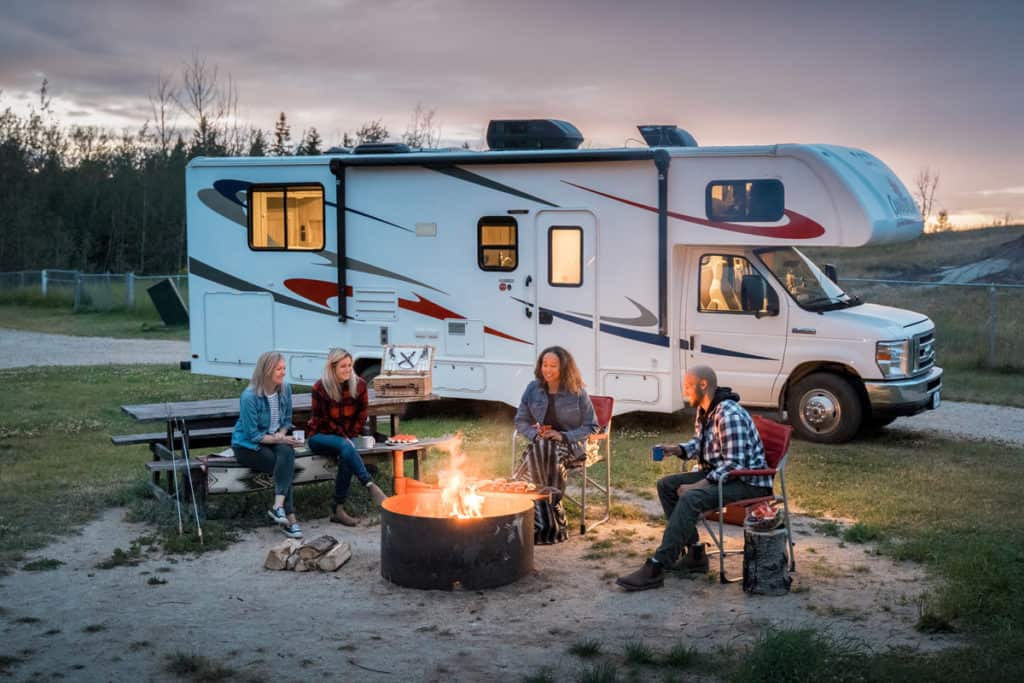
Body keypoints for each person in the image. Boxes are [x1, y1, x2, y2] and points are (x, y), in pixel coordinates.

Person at [616, 365, 772, 591]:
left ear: (703, 385)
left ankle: (657, 566)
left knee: (691, 497)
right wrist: (676, 449)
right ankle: (696, 553)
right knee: (667, 485)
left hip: (748, 481)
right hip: (724, 474)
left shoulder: (729, 414)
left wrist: (697, 485)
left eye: (688, 386)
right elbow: (700, 445)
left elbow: (735, 464)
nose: (685, 391)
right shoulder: (705, 410)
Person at [513, 346, 599, 544]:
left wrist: (563, 436)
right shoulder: (532, 389)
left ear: (564, 368)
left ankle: (536, 515)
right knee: (544, 447)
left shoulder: (577, 392)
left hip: (572, 448)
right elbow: (521, 421)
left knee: (544, 450)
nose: (548, 370)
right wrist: (535, 434)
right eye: (545, 365)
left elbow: (592, 426)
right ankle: (552, 513)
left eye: (553, 366)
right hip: (542, 447)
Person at [307, 348, 387, 525]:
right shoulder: (320, 388)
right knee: (346, 447)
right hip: (320, 436)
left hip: (346, 438)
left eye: (350, 365)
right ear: (332, 368)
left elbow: (361, 416)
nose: (348, 370)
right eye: (343, 366)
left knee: (346, 454)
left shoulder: (359, 385)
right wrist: (346, 439)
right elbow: (325, 421)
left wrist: (349, 437)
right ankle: (369, 484)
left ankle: (338, 509)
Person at [231, 351, 303, 539]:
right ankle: (290, 518)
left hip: (272, 439)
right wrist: (281, 440)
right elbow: (253, 435)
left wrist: (281, 435)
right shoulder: (249, 396)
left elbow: (286, 421)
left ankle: (278, 507)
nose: (283, 372)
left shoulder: (285, 388)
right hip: (247, 446)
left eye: (284, 368)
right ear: (267, 370)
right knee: (285, 467)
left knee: (286, 456)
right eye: (279, 369)